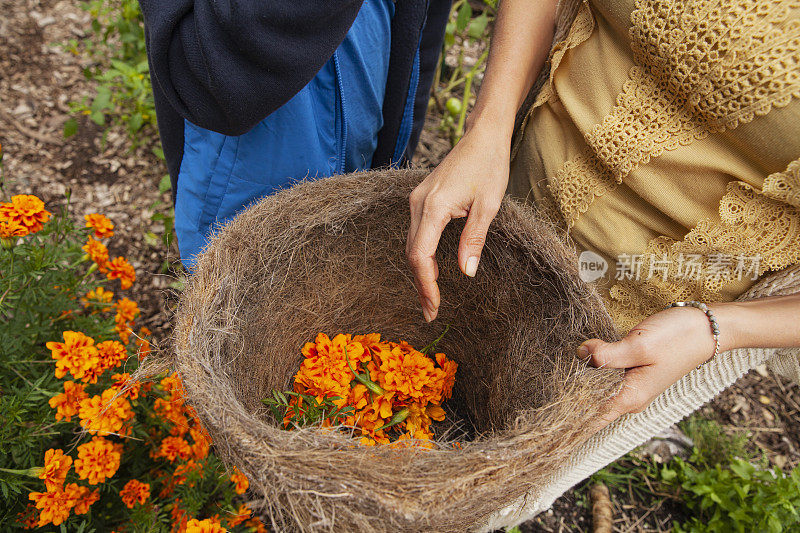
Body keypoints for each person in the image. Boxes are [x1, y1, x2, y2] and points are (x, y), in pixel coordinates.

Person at [406, 0, 800, 428]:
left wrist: (717, 328)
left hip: (634, 320)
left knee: (505, 445)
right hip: (504, 196)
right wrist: (489, 128)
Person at [139, 0, 452, 267]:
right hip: (254, 135)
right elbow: (219, 83)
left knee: (342, 283)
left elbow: (417, 39)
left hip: (364, 77)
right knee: (243, 300)